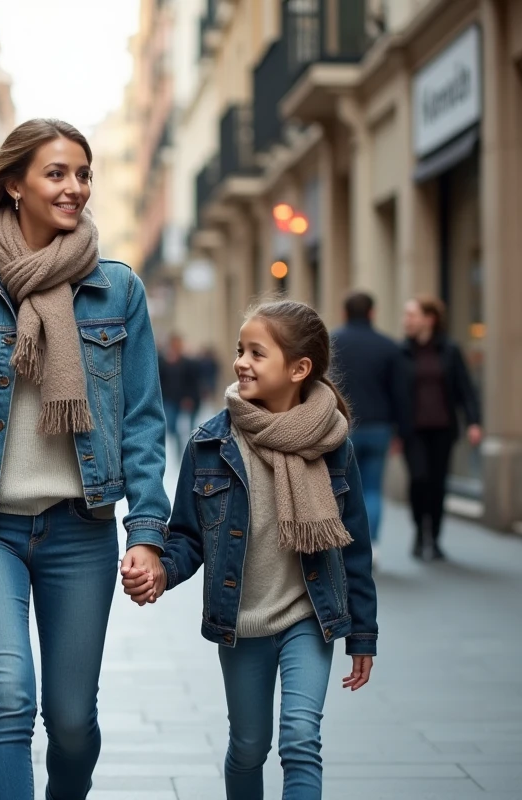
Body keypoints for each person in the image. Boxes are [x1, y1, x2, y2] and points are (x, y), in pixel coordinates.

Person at [0, 118, 170, 799]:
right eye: (56, 173)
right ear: (14, 185)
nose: (74, 188)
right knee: (9, 697)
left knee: (72, 722)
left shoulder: (117, 289)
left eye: (82, 174)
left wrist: (149, 534)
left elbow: (141, 421)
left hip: (81, 529)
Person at [128, 299, 377, 800]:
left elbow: (354, 547)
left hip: (309, 614)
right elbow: (188, 537)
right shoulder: (210, 445)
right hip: (241, 622)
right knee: (248, 746)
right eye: (241, 350)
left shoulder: (333, 444)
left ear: (298, 369)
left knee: (301, 740)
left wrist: (363, 634)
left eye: (257, 353)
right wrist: (159, 570)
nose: (241, 361)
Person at [330, 291, 411, 563]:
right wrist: (400, 431)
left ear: (344, 313)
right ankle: (371, 545)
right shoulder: (389, 347)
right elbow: (401, 393)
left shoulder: (332, 343)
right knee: (373, 488)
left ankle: (342, 543)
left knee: (339, 486)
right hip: (379, 427)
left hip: (340, 426)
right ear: (372, 313)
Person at [401, 296, 482, 561]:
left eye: (412, 315)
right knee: (418, 480)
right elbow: (396, 392)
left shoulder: (449, 350)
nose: (407, 320)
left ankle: (434, 538)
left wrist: (473, 421)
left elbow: (465, 388)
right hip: (413, 430)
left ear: (429, 319)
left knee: (437, 485)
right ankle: (418, 532)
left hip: (443, 429)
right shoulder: (402, 351)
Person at [158, 333, 202, 444]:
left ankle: (187, 447)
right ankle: (178, 446)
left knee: (188, 426)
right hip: (169, 398)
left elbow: (192, 381)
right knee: (172, 426)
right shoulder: (163, 361)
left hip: (184, 398)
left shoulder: (188, 362)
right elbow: (161, 379)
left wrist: (189, 397)